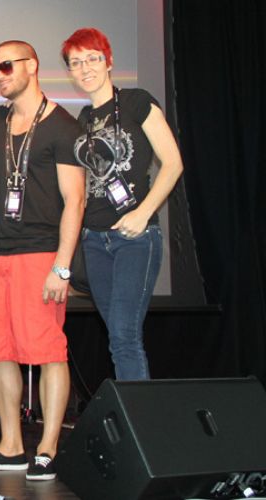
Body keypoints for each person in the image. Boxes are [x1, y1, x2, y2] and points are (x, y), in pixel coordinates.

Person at [0, 40, 85, 481]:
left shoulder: (62, 126)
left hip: (41, 253)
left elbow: (74, 201)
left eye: (6, 66)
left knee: (47, 352)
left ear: (32, 67)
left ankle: (49, 447)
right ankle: (11, 445)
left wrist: (62, 266)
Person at [62, 28, 184, 380]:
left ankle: (140, 428)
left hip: (134, 238)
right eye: (76, 62)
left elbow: (172, 162)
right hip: (95, 241)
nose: (85, 68)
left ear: (109, 61)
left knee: (124, 336)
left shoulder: (136, 101)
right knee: (118, 337)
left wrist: (143, 213)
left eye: (92, 58)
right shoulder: (83, 120)